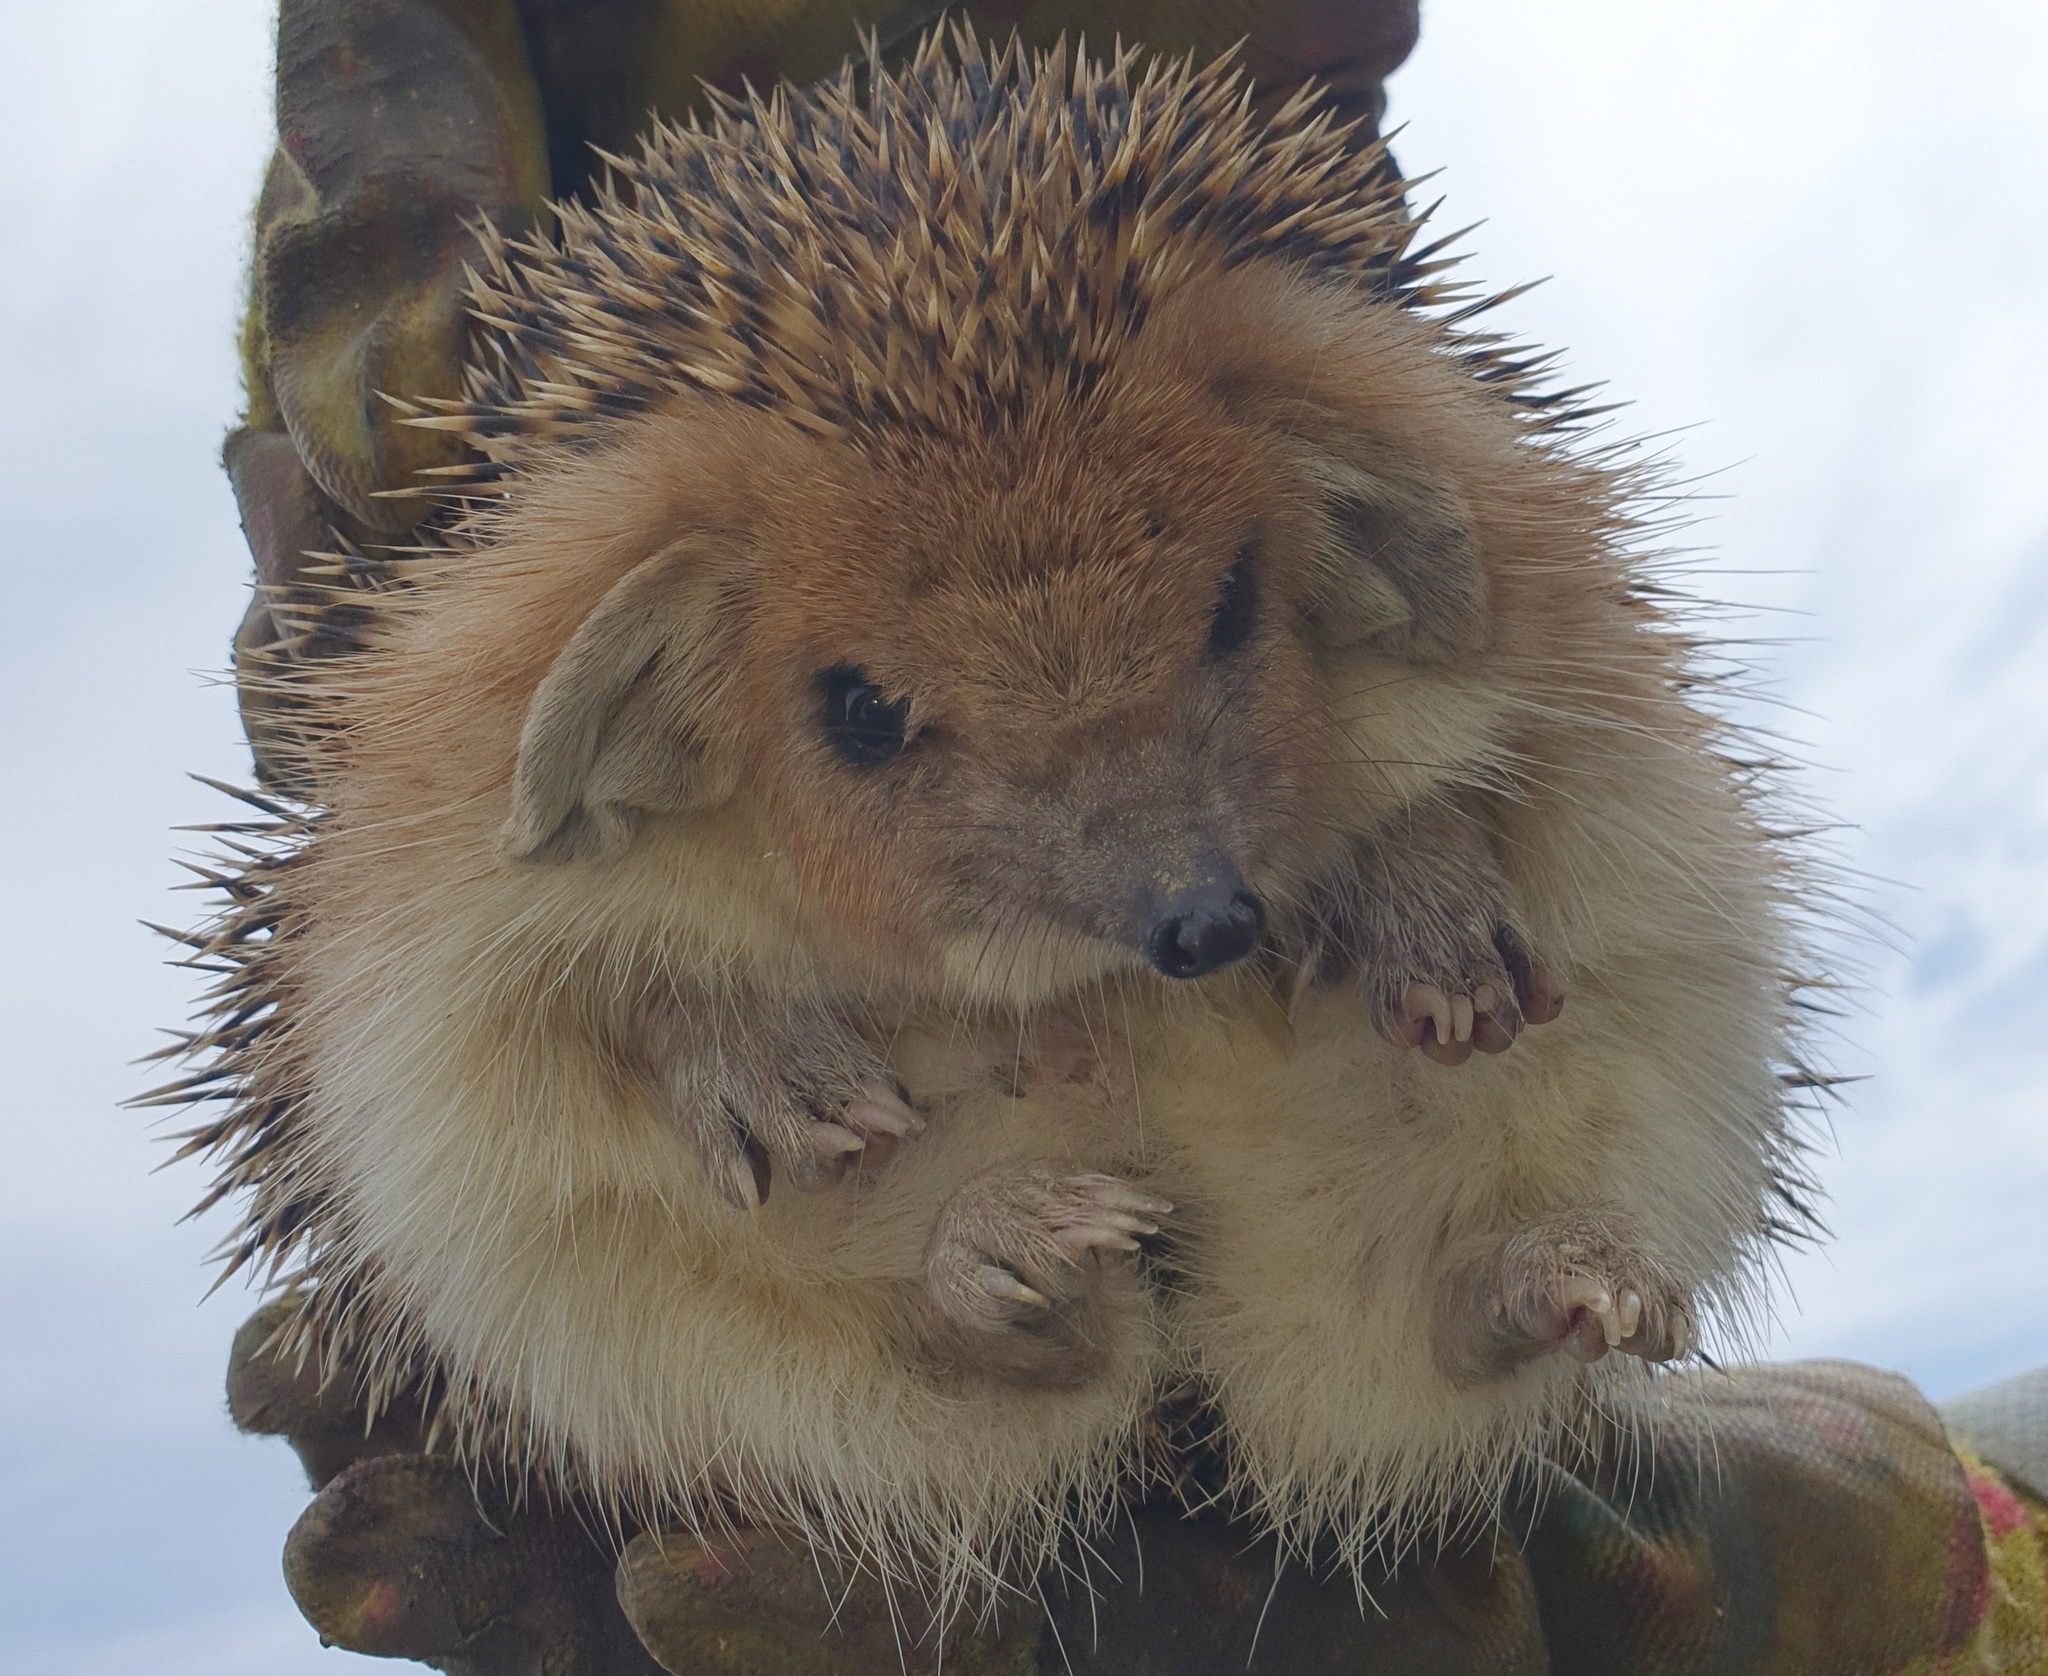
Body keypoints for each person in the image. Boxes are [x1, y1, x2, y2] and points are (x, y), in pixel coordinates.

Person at [218, 5, 2048, 1670]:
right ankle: (979, 1325)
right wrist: (682, 1042)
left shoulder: (1342, 485)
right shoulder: (624, 701)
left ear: (1320, 531)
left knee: (1518, 958)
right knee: (598, 1104)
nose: (1174, 882)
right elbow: (517, 992)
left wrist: (1424, 861)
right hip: (913, 1193)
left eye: (1224, 629)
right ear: (657, 690)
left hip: (1325, 1153)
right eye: (881, 718)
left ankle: (1475, 1288)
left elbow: (1507, 722)